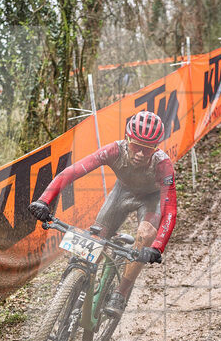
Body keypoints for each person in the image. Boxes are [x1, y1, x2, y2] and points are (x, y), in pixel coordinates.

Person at [28, 110, 177, 316]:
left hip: (150, 200)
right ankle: (76, 285)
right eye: (136, 146)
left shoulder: (163, 165)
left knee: (145, 234)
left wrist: (157, 247)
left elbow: (169, 210)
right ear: (127, 139)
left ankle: (120, 293)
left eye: (148, 149)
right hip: (122, 192)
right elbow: (72, 171)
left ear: (156, 147)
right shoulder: (114, 151)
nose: (141, 154)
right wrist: (44, 201)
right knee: (95, 240)